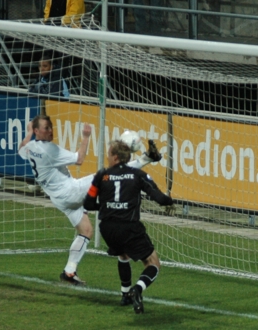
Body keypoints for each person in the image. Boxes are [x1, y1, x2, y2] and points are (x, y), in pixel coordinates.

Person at [18, 116, 162, 286]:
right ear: (37, 131)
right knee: (109, 174)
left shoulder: (30, 147)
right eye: (45, 128)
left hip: (58, 197)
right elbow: (79, 159)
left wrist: (28, 133)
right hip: (70, 191)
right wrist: (86, 137)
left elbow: (21, 148)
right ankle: (147, 158)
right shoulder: (50, 150)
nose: (50, 131)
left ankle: (69, 272)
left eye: (50, 127)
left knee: (85, 230)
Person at [83, 139, 174, 314]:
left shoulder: (101, 175)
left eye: (109, 154)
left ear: (116, 157)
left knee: (123, 254)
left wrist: (106, 206)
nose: (107, 157)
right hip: (129, 227)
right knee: (153, 262)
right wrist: (170, 201)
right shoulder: (138, 175)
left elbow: (88, 203)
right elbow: (160, 199)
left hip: (108, 229)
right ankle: (137, 289)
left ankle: (125, 295)